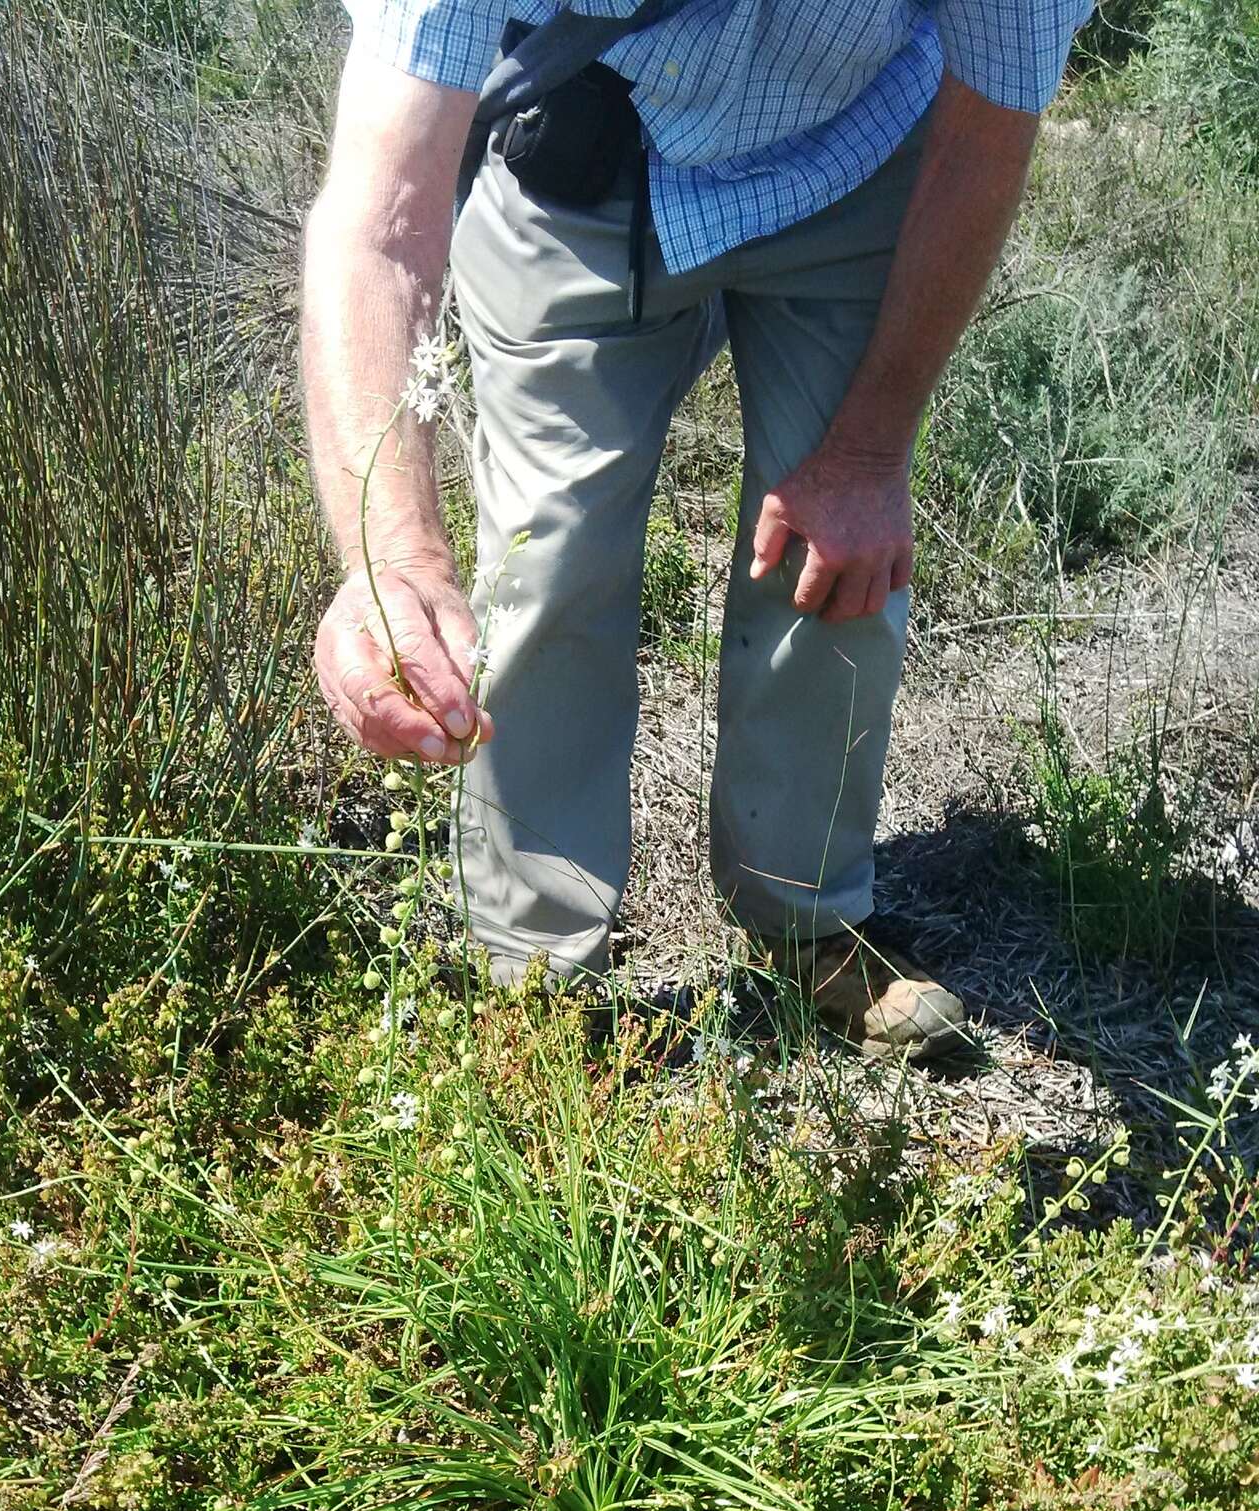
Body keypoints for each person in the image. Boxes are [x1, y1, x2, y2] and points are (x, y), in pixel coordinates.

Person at [301, 0, 1092, 1059]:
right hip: (583, 167)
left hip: (852, 154)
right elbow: (380, 223)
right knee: (547, 563)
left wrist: (866, 457)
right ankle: (536, 978)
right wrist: (391, 561)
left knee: (839, 556)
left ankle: (807, 918)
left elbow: (991, 123)